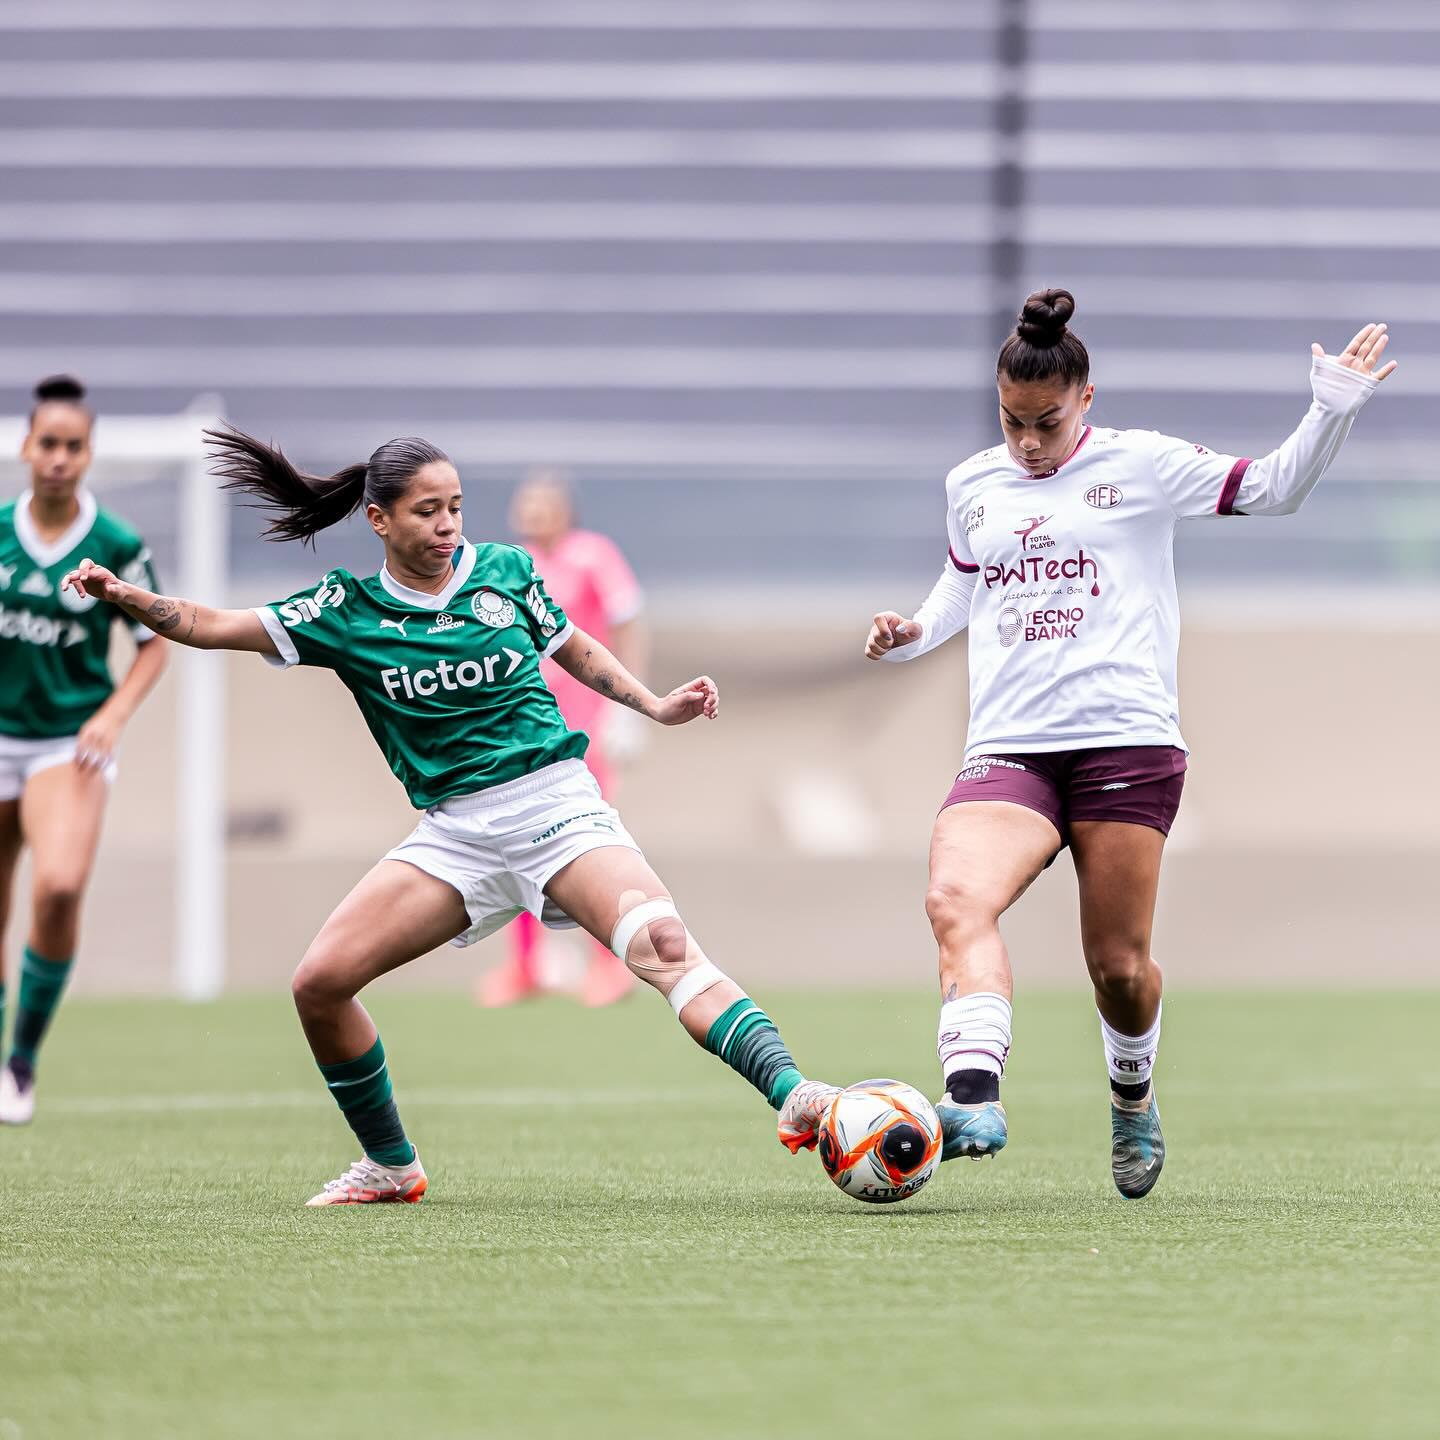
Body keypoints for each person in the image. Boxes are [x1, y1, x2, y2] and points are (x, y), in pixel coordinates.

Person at [61, 429, 837, 1206]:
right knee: (320, 984)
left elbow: (573, 647)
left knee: (661, 944)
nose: (447, 526)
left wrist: (653, 705)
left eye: (456, 507)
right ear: (379, 519)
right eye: (427, 510)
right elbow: (207, 624)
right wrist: (127, 598)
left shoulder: (505, 573)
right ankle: (391, 1165)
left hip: (556, 805)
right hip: (457, 834)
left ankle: (796, 1095)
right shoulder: (345, 610)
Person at [866, 290, 1393, 1199]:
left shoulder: (1144, 464)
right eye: (1012, 421)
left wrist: (1330, 409)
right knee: (955, 898)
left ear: (1087, 399)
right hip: (1011, 745)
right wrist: (912, 632)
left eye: (1047, 422)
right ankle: (973, 1096)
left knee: (1116, 968)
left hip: (1125, 743)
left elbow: (1274, 489)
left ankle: (1132, 1094)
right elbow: (963, 585)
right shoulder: (971, 485)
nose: (1028, 443)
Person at [0, 375, 168, 1124]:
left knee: (60, 886)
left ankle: (21, 1062)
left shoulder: (116, 545)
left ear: (89, 453)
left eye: (73, 446)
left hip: (65, 742)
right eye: (48, 444)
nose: (60, 458)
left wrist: (114, 713)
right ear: (26, 447)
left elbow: (154, 641)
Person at [478, 467, 647, 1009]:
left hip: (584, 727)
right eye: (525, 503)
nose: (531, 513)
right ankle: (525, 966)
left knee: (592, 842)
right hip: (526, 726)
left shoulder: (593, 555)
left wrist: (627, 710)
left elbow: (628, 621)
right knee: (516, 837)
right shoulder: (508, 563)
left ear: (564, 510)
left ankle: (610, 965)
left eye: (542, 503)